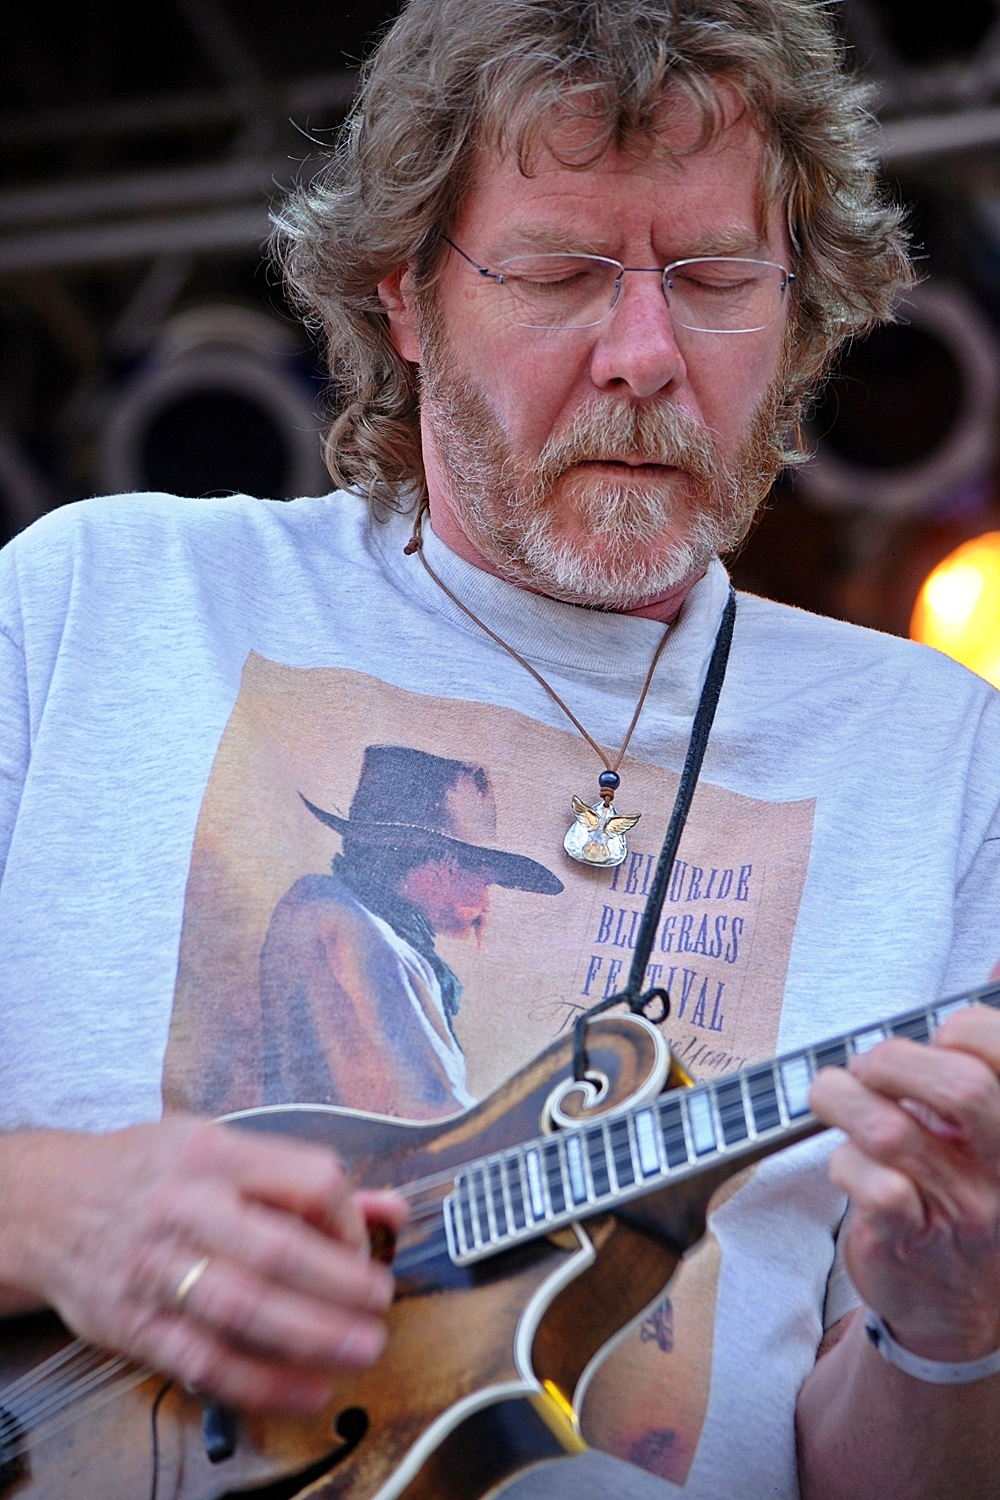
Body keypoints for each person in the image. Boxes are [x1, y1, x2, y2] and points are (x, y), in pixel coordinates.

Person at [0, 1, 998, 1497]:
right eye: (558, 274)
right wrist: (52, 1212)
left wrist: (951, 1329)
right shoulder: (97, 597)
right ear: (404, 296)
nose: (645, 356)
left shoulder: (944, 757)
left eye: (718, 279)